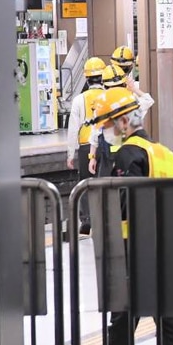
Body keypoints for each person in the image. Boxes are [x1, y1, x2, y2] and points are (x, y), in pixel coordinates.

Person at [88, 86, 173, 345]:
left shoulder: (128, 154)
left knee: (123, 311)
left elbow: (123, 203)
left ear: (121, 122)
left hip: (135, 245)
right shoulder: (163, 152)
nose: (104, 132)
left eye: (105, 124)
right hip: (166, 241)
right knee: (168, 311)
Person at [66, 57, 109, 236]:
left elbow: (72, 129)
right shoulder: (108, 96)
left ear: (86, 77)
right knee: (106, 182)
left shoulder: (79, 100)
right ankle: (105, 218)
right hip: (106, 145)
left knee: (84, 184)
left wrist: (70, 154)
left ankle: (86, 221)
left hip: (85, 147)